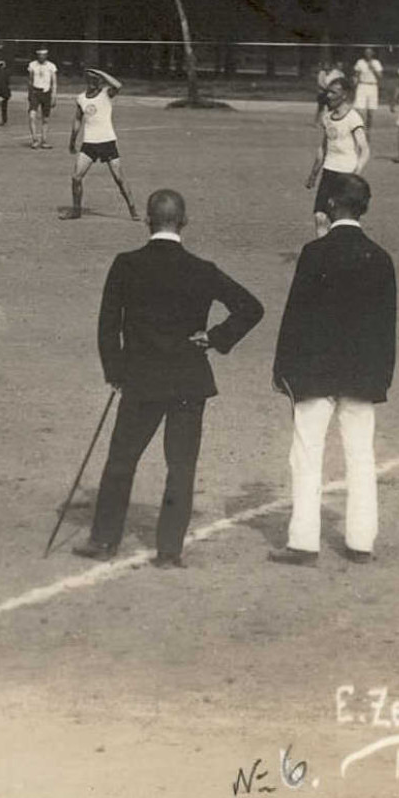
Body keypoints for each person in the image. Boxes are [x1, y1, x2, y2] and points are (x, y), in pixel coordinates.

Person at [73, 189, 264, 567]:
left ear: (148, 221)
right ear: (184, 222)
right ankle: (169, 551)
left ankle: (105, 540)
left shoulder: (126, 264)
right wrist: (214, 337)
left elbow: (107, 325)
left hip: (140, 380)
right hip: (188, 379)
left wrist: (115, 371)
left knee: (121, 459)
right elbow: (250, 307)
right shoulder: (202, 269)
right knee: (181, 465)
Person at [268, 175, 395, 567]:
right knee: (361, 455)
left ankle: (304, 542)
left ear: (335, 205)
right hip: (361, 373)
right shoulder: (380, 257)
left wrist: (282, 368)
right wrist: (380, 377)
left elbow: (295, 315)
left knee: (306, 453)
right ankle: (360, 542)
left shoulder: (314, 253)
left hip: (316, 371)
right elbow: (386, 325)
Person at [61, 68, 138, 221]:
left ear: (99, 82)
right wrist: (72, 141)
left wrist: (101, 72)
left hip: (107, 142)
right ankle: (76, 211)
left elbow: (118, 85)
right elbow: (77, 120)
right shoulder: (81, 98)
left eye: (95, 80)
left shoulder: (106, 94)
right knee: (76, 178)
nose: (92, 83)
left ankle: (133, 210)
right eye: (90, 80)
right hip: (89, 144)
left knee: (119, 179)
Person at [305, 76, 370, 238]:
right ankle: (326, 251)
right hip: (328, 172)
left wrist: (357, 173)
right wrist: (313, 174)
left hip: (346, 173)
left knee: (343, 218)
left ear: (344, 95)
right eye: (328, 92)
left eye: (333, 92)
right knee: (320, 217)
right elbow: (324, 147)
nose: (328, 96)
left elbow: (365, 149)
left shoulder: (353, 118)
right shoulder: (327, 117)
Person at [26, 46, 59, 149]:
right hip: (36, 92)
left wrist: (54, 95)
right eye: (39, 55)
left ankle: (44, 140)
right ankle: (35, 140)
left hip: (46, 93)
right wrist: (29, 93)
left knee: (45, 119)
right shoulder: (32, 65)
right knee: (32, 116)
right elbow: (30, 81)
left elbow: (54, 82)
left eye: (43, 55)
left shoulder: (51, 66)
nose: (41, 57)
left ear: (46, 55)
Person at [352, 47, 383, 129]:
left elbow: (380, 76)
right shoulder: (360, 62)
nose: (368, 54)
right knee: (359, 110)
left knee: (370, 112)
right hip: (362, 86)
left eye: (370, 53)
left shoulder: (376, 62)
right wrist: (354, 83)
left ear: (373, 54)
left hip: (373, 87)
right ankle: (360, 127)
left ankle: (368, 130)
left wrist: (373, 68)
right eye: (366, 52)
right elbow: (356, 75)